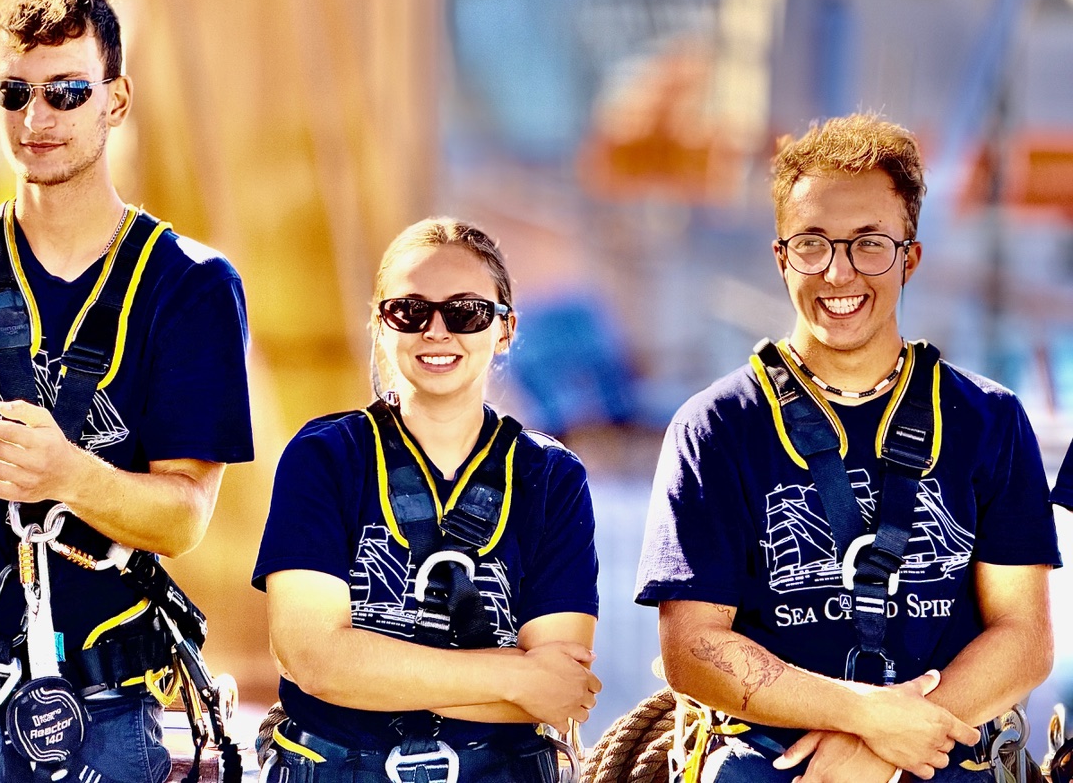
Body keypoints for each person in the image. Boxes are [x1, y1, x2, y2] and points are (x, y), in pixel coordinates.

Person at [0, 0, 253, 783]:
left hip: (103, 716)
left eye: (68, 92)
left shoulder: (192, 287)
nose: (37, 118)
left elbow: (183, 517)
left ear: (116, 99)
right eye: (15, 92)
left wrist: (66, 473)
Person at [635, 114, 1059, 783]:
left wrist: (879, 750)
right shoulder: (714, 429)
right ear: (781, 257)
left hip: (945, 756)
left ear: (910, 257)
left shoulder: (991, 421)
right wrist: (865, 717)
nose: (838, 272)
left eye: (869, 244)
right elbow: (693, 647)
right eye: (812, 244)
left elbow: (1024, 638)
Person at [252, 217, 601, 782]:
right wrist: (517, 677)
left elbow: (560, 690)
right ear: (380, 324)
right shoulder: (324, 458)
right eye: (409, 310)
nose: (436, 331)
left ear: (505, 329)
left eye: (466, 312)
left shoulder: (552, 478)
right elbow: (313, 661)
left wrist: (368, 670)